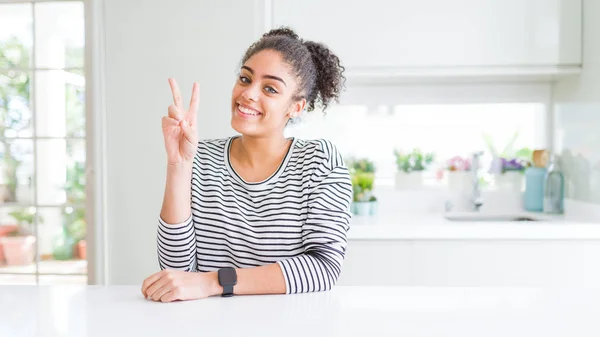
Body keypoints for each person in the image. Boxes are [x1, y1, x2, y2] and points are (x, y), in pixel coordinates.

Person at [141, 27, 352, 302]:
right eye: (245, 78)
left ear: (295, 107)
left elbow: (323, 268)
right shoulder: (200, 157)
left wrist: (213, 282)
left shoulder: (319, 163)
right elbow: (178, 273)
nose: (249, 94)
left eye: (270, 88)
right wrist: (178, 164)